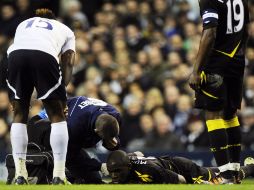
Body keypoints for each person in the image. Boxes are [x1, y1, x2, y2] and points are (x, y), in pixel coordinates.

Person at [6, 9, 75, 184]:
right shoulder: (64, 29)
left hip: (14, 56)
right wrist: (62, 97)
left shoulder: (23, 24)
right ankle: (59, 175)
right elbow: (68, 60)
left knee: (19, 114)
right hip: (44, 55)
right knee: (56, 115)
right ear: (54, 20)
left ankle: (20, 175)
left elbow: (19, 47)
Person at [188, 0, 249, 183]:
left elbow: (210, 32)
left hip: (216, 62)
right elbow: (245, 29)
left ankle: (224, 175)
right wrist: (240, 55)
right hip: (237, 59)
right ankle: (235, 171)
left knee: (213, 115)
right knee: (230, 114)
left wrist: (196, 70)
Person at [27, 96, 121, 183]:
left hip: (69, 127)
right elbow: (71, 158)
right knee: (77, 170)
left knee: (95, 180)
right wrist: (99, 166)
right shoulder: (75, 126)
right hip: (39, 128)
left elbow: (112, 134)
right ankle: (56, 173)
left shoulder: (115, 114)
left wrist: (114, 142)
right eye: (103, 138)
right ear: (95, 131)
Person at [106, 150, 254, 184]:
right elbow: (139, 153)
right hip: (167, 162)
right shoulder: (128, 160)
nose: (114, 176)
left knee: (222, 181)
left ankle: (249, 168)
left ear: (128, 166)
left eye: (118, 171)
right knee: (217, 172)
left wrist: (201, 184)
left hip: (183, 169)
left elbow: (181, 180)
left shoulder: (151, 170)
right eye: (112, 172)